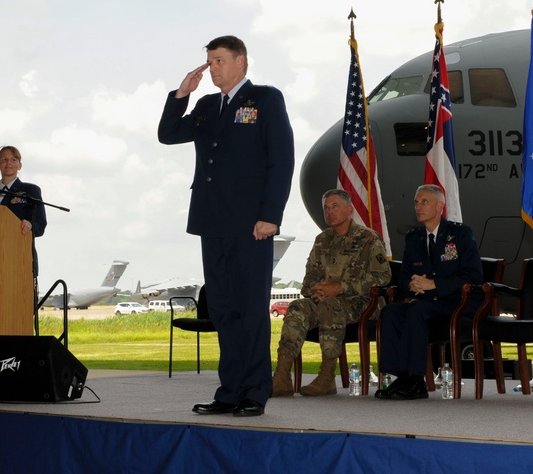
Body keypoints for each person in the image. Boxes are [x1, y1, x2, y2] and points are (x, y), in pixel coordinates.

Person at [158, 35, 295, 418]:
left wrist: (271, 214)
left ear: (240, 61)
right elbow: (168, 134)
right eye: (209, 61)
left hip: (252, 224)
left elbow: (281, 158)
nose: (212, 68)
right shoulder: (204, 105)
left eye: (218, 61)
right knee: (223, 311)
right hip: (212, 221)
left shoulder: (265, 99)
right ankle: (230, 390)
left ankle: (255, 391)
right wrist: (181, 94)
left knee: (250, 309)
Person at [271, 189, 391, 398]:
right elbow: (310, 276)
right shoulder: (322, 240)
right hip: (326, 300)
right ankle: (281, 375)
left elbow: (382, 277)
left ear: (349, 209)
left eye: (335, 206)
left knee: (330, 306)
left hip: (363, 302)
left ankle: (327, 376)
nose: (329, 212)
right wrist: (315, 290)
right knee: (298, 306)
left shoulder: (367, 238)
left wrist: (341, 287)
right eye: (326, 208)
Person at [375, 184, 483, 401]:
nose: (418, 206)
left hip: (458, 301)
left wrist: (434, 284)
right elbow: (404, 275)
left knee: (416, 310)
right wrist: (412, 284)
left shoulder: (459, 234)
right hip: (428, 301)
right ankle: (402, 377)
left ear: (439, 206)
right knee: (390, 312)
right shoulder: (413, 238)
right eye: (416, 202)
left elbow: (473, 276)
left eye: (424, 201)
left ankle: (416, 380)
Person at [0, 145, 47, 276]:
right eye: (4, 159)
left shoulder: (30, 190)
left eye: (13, 160)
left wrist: (30, 225)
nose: (9, 163)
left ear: (20, 165)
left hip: (20, 257)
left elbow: (40, 226)